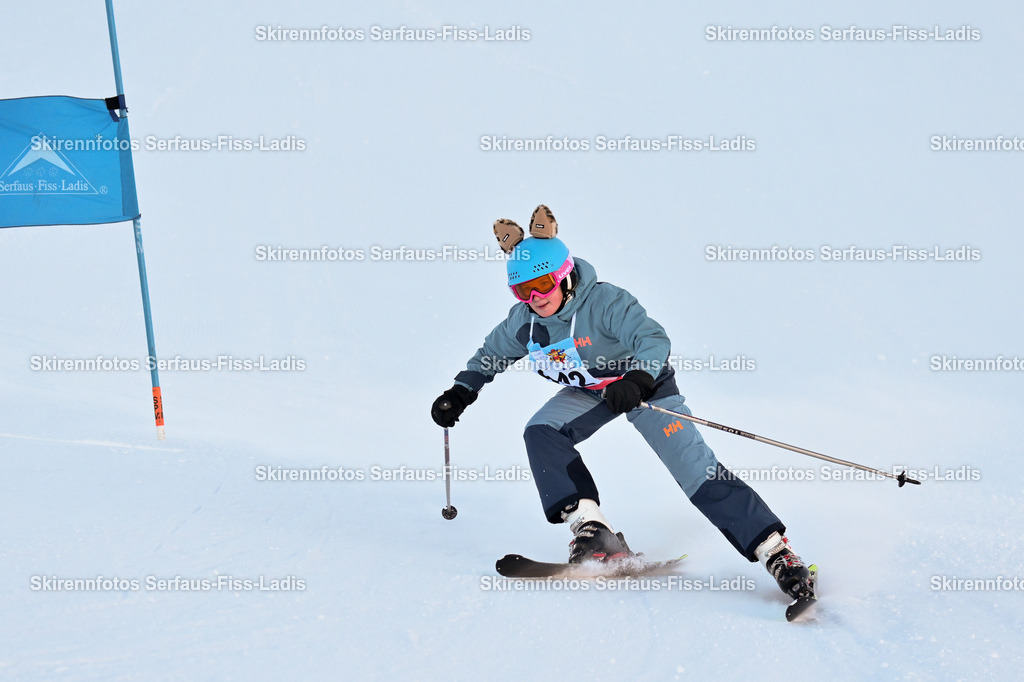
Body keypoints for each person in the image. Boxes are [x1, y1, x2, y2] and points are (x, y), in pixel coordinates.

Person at [430, 225, 812, 599]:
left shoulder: (606, 302)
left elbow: (652, 338)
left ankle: (776, 552)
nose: (535, 297)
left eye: (543, 285)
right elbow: (490, 355)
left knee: (694, 468)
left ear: (564, 277)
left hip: (643, 386)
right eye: (522, 290)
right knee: (542, 430)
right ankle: (593, 532)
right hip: (592, 391)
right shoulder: (525, 321)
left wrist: (637, 380)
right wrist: (461, 392)